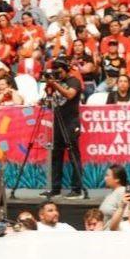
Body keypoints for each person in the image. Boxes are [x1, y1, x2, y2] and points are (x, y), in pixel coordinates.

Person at [41, 59, 85, 200]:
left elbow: (70, 94)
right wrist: (49, 89)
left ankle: (77, 190)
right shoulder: (56, 83)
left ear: (66, 70)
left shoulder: (74, 81)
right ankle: (55, 189)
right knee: (56, 156)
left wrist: (54, 84)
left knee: (73, 156)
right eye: (55, 72)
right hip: (58, 122)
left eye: (59, 71)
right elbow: (49, 104)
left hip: (71, 122)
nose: (57, 74)